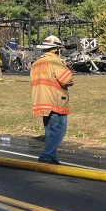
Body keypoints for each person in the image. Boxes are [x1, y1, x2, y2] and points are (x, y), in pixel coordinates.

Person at [31, 35, 74, 165]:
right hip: (55, 101)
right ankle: (47, 155)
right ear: (56, 50)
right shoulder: (55, 62)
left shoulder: (36, 63)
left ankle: (52, 156)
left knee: (49, 130)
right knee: (59, 129)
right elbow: (66, 79)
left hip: (42, 102)